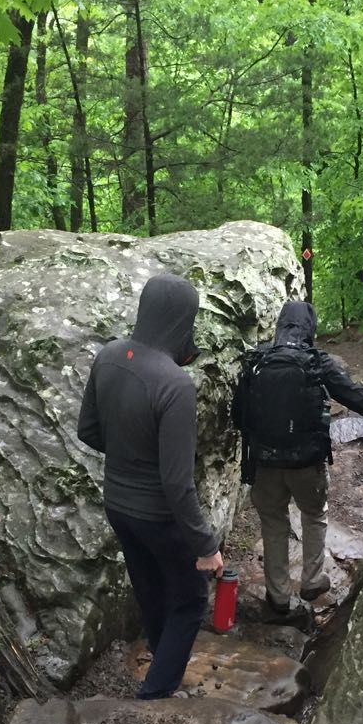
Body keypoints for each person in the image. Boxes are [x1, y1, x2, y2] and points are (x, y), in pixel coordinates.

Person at [233, 299, 363, 615]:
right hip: (307, 463)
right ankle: (312, 579)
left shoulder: (257, 361)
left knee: (273, 523)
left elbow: (238, 416)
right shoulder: (317, 362)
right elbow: (362, 400)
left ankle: (278, 597)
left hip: (263, 463)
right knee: (314, 514)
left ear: (280, 325)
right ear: (310, 328)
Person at [77, 274, 223, 698]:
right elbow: (177, 483)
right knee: (191, 598)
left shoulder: (108, 355)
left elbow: (87, 430)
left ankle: (159, 657)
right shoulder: (175, 384)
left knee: (150, 587)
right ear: (183, 320)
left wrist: (128, 454)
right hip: (157, 514)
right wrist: (206, 546)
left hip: (117, 504)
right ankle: (156, 694)